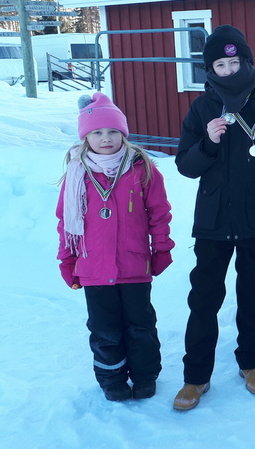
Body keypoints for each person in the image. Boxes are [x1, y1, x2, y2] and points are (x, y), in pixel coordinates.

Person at [173, 25, 255, 411]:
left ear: (247, 62)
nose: (229, 71)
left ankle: (251, 363)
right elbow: (185, 166)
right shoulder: (201, 109)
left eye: (235, 63)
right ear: (210, 69)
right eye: (221, 65)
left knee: (253, 297)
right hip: (213, 224)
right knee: (203, 300)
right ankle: (196, 377)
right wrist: (207, 143)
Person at [56, 92, 174, 402]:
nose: (105, 138)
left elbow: (159, 213)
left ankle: (145, 375)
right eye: (97, 132)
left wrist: (162, 249)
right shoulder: (77, 173)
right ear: (85, 137)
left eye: (112, 131)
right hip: (93, 268)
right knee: (104, 329)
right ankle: (112, 379)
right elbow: (66, 222)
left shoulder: (142, 169)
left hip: (134, 265)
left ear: (123, 133)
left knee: (140, 326)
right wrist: (67, 260)